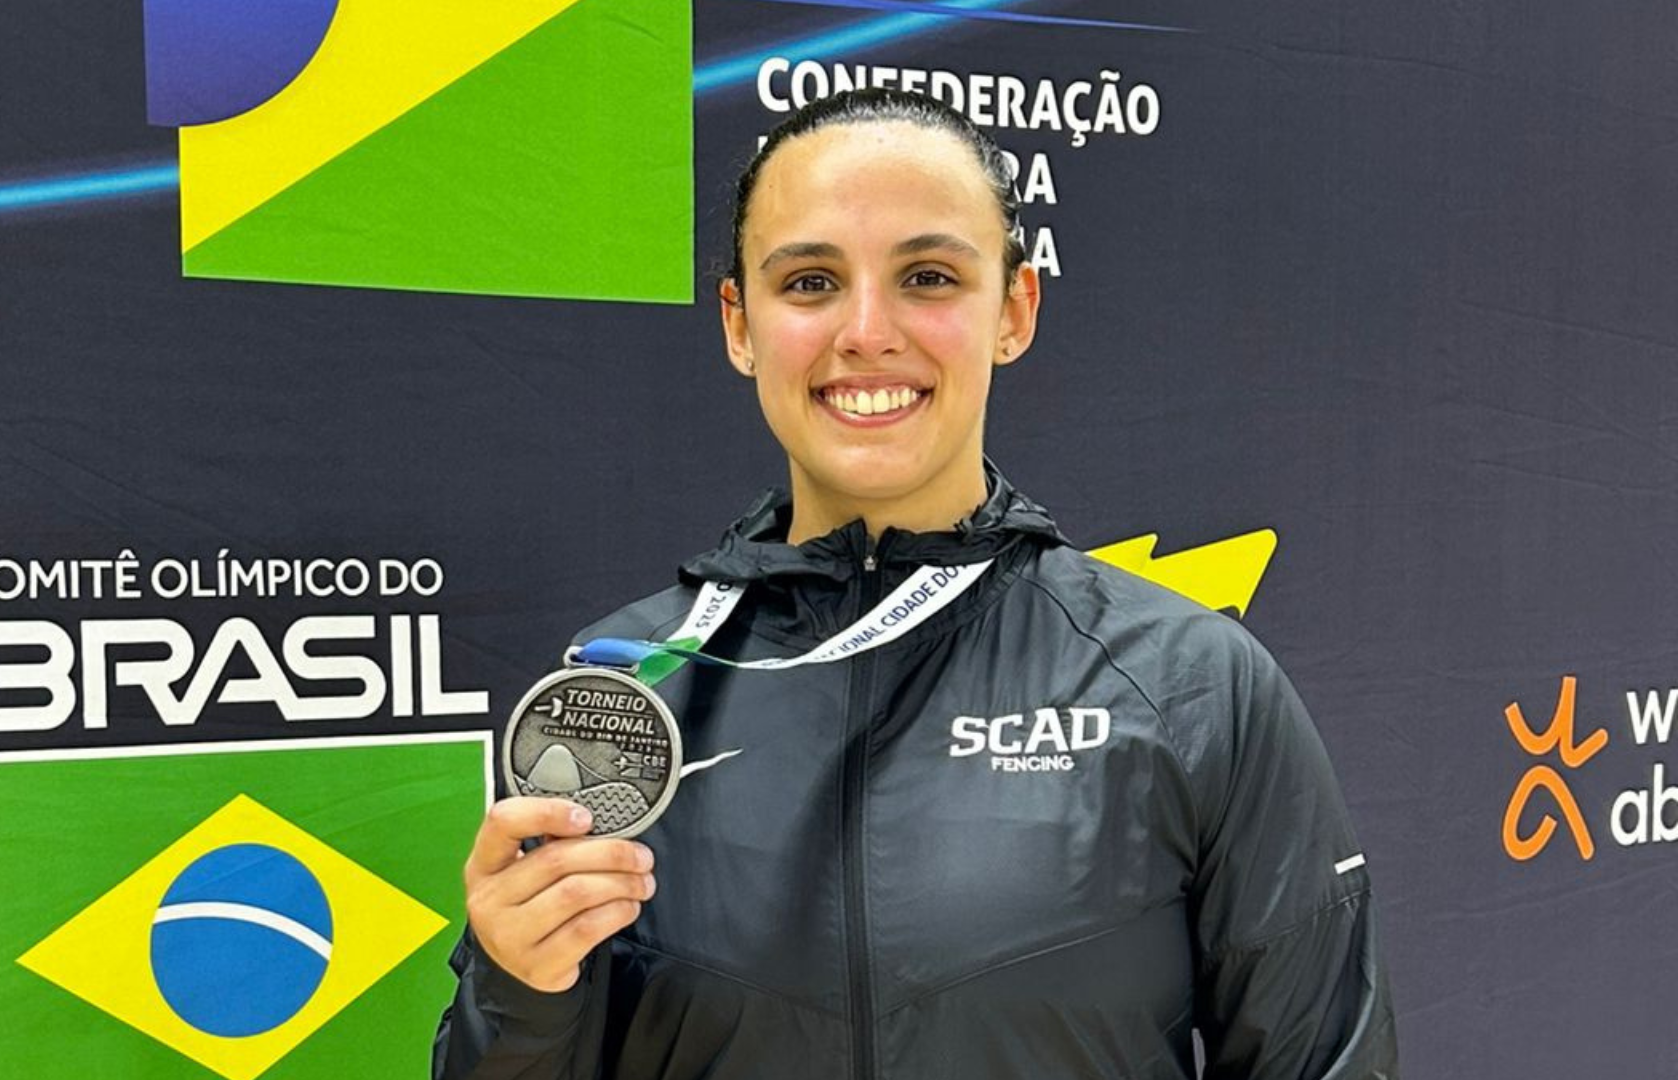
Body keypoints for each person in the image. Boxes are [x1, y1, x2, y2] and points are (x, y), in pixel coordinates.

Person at [433, 87, 1398, 1079]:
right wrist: (516, 991)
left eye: (928, 276)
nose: (865, 331)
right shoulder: (620, 701)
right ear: (740, 324)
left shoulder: (1193, 686)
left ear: (1014, 309)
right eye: (809, 281)